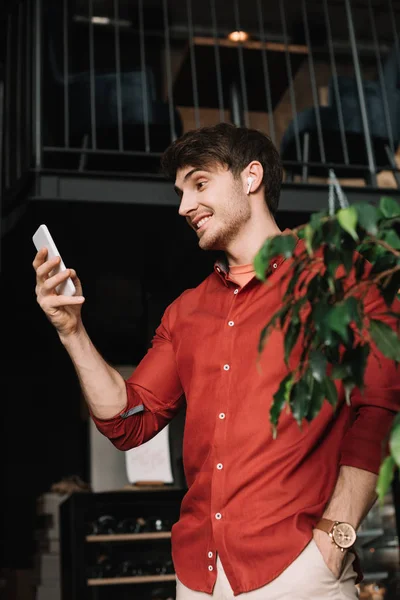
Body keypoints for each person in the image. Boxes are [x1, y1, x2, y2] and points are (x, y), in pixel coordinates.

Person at [33, 123, 400, 599]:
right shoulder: (185, 312)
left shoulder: (337, 277)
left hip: (300, 569)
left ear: (251, 177)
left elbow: (380, 406)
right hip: (199, 577)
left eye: (199, 184)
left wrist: (336, 535)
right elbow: (128, 421)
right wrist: (72, 331)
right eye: (180, 192)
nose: (184, 207)